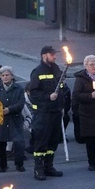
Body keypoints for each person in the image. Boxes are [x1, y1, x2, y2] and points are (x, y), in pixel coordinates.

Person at [28, 45, 65, 181]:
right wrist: (48, 97)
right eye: (52, 54)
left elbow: (61, 88)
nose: (55, 57)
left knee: (53, 140)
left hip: (55, 111)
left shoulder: (56, 69)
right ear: (44, 56)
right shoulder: (37, 72)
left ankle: (49, 166)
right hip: (43, 112)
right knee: (41, 140)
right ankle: (38, 169)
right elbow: (34, 93)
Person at [0, 65, 26, 173]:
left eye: (7, 75)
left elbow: (21, 103)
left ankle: (19, 164)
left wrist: (10, 109)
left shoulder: (19, 88)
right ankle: (2, 165)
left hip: (15, 118)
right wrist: (1, 110)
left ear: (12, 76)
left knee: (19, 142)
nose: (5, 77)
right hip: (1, 119)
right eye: (3, 75)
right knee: (0, 142)